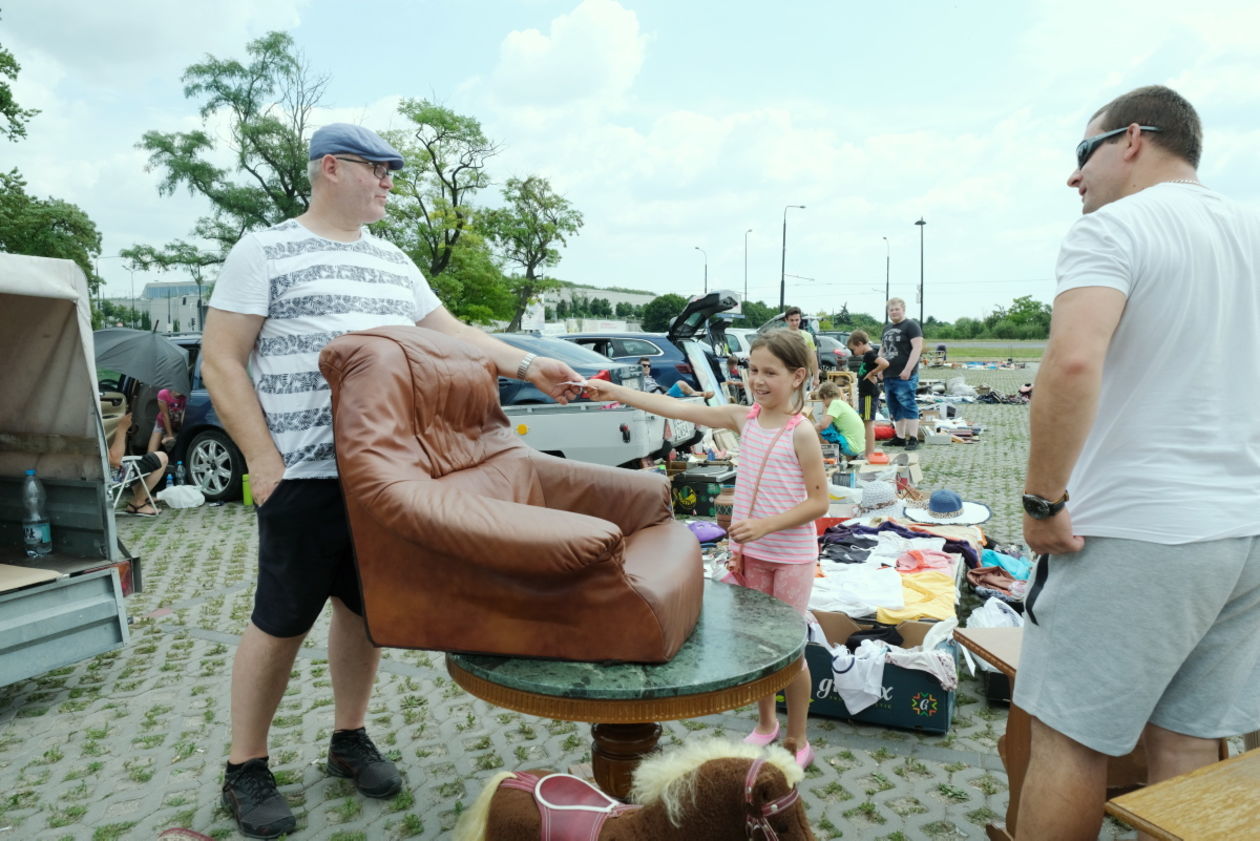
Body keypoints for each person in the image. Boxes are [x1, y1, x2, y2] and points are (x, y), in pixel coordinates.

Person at [202, 123, 583, 839]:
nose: (388, 182)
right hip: (305, 473)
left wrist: (529, 366)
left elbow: (454, 333)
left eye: (390, 172)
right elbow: (222, 360)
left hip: (386, 477)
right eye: (378, 169)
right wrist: (263, 459)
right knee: (281, 617)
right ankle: (245, 764)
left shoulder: (392, 261)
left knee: (364, 611)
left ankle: (349, 737)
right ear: (332, 168)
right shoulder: (264, 249)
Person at [1017, 85, 1260, 841]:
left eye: (1079, 153)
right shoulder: (1250, 230)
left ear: (1130, 139)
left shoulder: (1115, 229)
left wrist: (1041, 502)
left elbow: (1072, 365)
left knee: (1069, 738)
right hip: (1243, 533)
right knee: (1187, 738)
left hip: (1136, 530)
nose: (1072, 177)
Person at [585, 330, 828, 768]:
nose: (758, 380)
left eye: (770, 372)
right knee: (757, 646)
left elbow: (819, 502)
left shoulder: (803, 433)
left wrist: (766, 525)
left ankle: (797, 736)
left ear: (797, 377)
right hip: (749, 555)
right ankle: (766, 724)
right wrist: (613, 390)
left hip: (791, 556)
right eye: (753, 370)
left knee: (790, 651)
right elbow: (677, 407)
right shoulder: (742, 418)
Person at [879, 298, 923, 450]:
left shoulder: (911, 326)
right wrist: (879, 369)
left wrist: (908, 369)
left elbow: (917, 348)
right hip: (888, 374)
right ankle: (899, 437)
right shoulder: (886, 329)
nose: (894, 312)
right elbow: (882, 350)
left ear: (903, 309)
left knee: (908, 404)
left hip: (905, 375)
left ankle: (913, 437)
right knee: (894, 406)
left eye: (896, 309)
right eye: (891, 310)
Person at [108, 411, 166, 516]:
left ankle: (143, 495)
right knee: (162, 457)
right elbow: (114, 460)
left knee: (135, 462)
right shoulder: (91, 436)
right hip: (111, 475)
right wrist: (122, 428)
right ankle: (138, 503)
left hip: (91, 473)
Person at [847, 330, 888, 460]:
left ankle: (869, 454)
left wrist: (872, 373)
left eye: (853, 349)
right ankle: (867, 452)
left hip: (869, 394)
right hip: (865, 394)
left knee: (868, 423)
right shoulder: (867, 355)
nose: (853, 353)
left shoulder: (870, 354)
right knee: (865, 422)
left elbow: (885, 363)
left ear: (859, 344)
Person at [812, 381, 863, 458]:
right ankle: (849, 457)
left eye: (823, 401)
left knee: (817, 428)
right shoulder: (841, 403)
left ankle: (831, 457)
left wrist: (825, 411)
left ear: (825, 396)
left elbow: (823, 425)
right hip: (857, 445)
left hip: (851, 446)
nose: (824, 404)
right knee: (831, 426)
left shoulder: (834, 404)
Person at [784, 306, 818, 386]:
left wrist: (816, 378)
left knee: (802, 398)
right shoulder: (781, 336)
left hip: (803, 375)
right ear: (786, 320)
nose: (795, 323)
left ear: (800, 319)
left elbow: (813, 358)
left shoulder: (808, 336)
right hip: (786, 375)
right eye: (791, 320)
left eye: (797, 320)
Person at [147, 386, 186, 453]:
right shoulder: (163, 393)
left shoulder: (186, 396)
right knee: (151, 452)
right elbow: (165, 416)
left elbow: (184, 418)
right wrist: (170, 435)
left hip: (177, 425)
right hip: (162, 423)